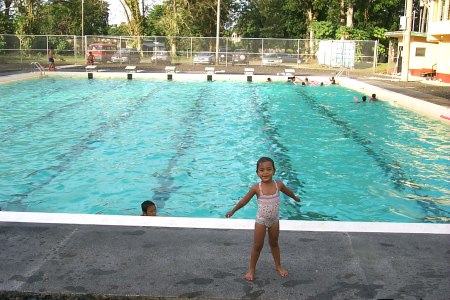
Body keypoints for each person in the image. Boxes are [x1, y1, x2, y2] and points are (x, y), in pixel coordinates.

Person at [226, 157, 301, 281]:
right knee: (257, 246)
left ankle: (278, 265)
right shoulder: (257, 188)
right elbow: (244, 201)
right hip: (261, 220)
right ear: (257, 173)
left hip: (274, 220)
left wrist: (295, 198)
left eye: (268, 169)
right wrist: (233, 211)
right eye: (261, 170)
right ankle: (251, 269)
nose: (265, 172)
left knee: (274, 244)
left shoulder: (279, 185)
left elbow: (289, 192)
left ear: (274, 171)